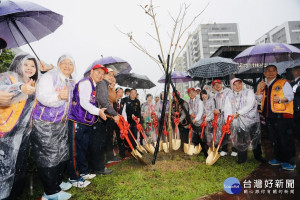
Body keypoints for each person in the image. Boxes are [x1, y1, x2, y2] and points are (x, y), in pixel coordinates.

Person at [31, 54, 76, 200]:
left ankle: (57, 182)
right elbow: (42, 97)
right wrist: (58, 97)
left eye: (71, 63)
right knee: (48, 156)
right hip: (45, 123)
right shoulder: (49, 77)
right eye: (64, 63)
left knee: (61, 153)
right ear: (58, 64)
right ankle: (50, 192)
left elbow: (69, 102)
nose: (68, 66)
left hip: (61, 123)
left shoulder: (69, 81)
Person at [0, 53, 38, 200]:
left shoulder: (32, 84)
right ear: (17, 64)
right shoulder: (8, 77)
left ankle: (14, 195)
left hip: (21, 134)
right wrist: (21, 87)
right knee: (4, 172)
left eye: (32, 65)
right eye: (26, 64)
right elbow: (5, 89)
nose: (29, 68)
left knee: (18, 169)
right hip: (5, 134)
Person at [67, 64, 108, 188]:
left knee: (83, 148)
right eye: (98, 72)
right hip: (76, 121)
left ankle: (83, 172)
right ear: (92, 71)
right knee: (74, 150)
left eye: (102, 73)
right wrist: (98, 112)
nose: (100, 75)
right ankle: (73, 178)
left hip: (85, 122)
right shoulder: (85, 83)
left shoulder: (93, 84)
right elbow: (84, 102)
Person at [256, 65, 295, 170]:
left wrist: (281, 99)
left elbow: (291, 96)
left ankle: (290, 161)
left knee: (285, 139)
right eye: (268, 71)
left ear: (277, 72)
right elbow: (258, 100)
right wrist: (259, 89)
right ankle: (279, 158)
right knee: (274, 139)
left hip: (283, 116)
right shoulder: (264, 85)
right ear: (264, 73)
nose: (271, 72)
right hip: (270, 116)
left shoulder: (283, 83)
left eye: (273, 70)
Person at [224, 78, 265, 164]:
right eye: (234, 84)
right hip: (238, 122)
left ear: (242, 84)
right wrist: (227, 120)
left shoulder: (249, 92)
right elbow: (227, 109)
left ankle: (258, 156)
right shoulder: (229, 96)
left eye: (239, 83)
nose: (237, 86)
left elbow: (250, 105)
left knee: (255, 139)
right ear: (232, 86)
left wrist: (238, 112)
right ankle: (242, 158)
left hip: (252, 120)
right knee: (240, 140)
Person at [91, 68, 119, 175]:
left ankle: (97, 167)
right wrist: (114, 114)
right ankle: (99, 168)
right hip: (99, 118)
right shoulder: (102, 84)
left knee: (99, 142)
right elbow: (103, 101)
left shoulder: (104, 84)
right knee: (99, 143)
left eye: (113, 75)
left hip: (101, 116)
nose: (112, 76)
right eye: (109, 74)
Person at [212, 79, 237, 157]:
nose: (217, 85)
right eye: (215, 84)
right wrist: (215, 110)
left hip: (229, 116)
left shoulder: (228, 92)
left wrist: (220, 110)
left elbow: (230, 105)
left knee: (233, 132)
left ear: (222, 84)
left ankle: (235, 149)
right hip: (220, 117)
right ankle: (224, 149)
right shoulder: (215, 95)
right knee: (223, 132)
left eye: (218, 83)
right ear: (214, 87)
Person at [113, 87, 127, 158]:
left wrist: (125, 122)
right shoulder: (112, 100)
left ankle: (122, 154)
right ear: (115, 92)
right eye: (119, 92)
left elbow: (124, 112)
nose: (120, 94)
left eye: (122, 92)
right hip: (112, 121)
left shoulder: (123, 102)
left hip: (120, 122)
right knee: (111, 138)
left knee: (120, 137)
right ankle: (111, 154)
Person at [290, 65, 300, 142]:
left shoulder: (298, 82)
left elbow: (295, 90)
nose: (292, 72)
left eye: (294, 70)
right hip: (294, 107)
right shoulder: (294, 81)